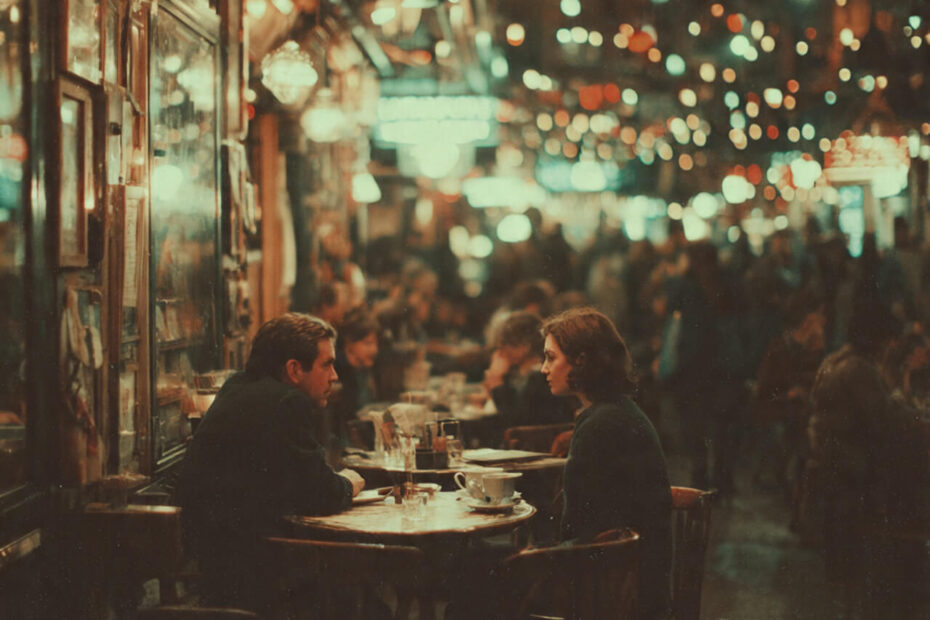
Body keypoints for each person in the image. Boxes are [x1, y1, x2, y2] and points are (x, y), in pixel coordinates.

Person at [176, 313, 365, 611]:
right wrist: (351, 483)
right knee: (361, 596)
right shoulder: (288, 403)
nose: (335, 376)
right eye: (327, 364)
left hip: (211, 566)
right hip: (256, 575)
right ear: (293, 369)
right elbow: (322, 494)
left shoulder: (237, 386)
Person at [541, 307, 672, 620]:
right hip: (639, 579)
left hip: (612, 591)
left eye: (550, 357)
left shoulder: (600, 425)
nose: (543, 368)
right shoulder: (617, 410)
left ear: (581, 362)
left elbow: (580, 527)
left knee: (476, 576)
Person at [483, 311, 575, 432]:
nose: (499, 353)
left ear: (524, 347)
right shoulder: (519, 373)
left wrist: (497, 384)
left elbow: (516, 423)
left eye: (503, 346)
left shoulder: (541, 377)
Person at [330, 307, 380, 451]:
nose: (374, 350)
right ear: (349, 342)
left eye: (375, 343)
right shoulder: (337, 371)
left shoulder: (366, 368)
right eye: (367, 343)